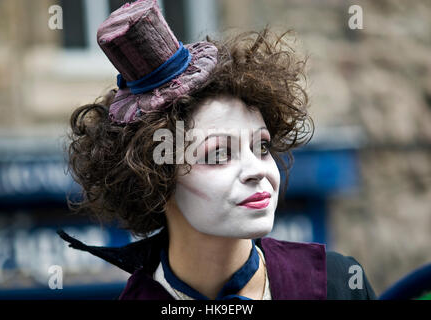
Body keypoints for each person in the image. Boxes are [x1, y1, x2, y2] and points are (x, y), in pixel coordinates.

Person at [58, 0, 377, 300]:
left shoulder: (335, 285)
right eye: (219, 154)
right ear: (156, 180)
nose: (257, 170)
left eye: (262, 147)